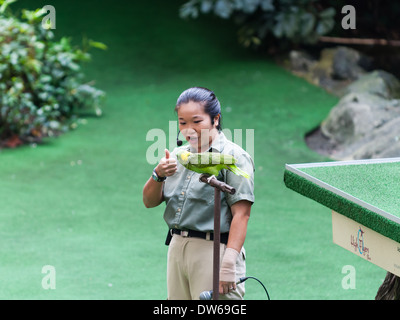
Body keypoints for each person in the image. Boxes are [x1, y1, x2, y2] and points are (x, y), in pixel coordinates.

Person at [142, 87, 255, 300]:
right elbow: (149, 201)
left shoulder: (235, 156)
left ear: (215, 119)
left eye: (197, 121)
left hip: (213, 250)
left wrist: (229, 261)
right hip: (177, 247)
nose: (189, 130)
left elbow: (242, 214)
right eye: (183, 123)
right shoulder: (178, 155)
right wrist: (158, 174)